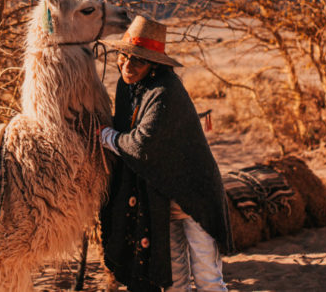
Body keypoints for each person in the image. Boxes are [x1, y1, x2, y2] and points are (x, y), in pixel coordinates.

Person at [98, 16, 234, 292]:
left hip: (194, 197)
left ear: (154, 65)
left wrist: (104, 136)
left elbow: (140, 146)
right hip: (159, 201)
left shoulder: (166, 92)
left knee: (208, 277)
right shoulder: (129, 89)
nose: (127, 64)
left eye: (138, 60)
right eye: (123, 56)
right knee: (174, 281)